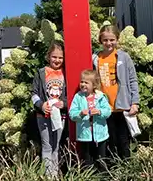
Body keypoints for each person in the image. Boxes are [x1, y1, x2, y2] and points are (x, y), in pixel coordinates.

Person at [93, 24, 140, 159]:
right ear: (100, 41)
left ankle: (126, 170)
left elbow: (133, 80)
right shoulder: (96, 58)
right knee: (108, 142)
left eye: (112, 40)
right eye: (105, 40)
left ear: (117, 39)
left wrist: (135, 102)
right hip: (104, 107)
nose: (109, 43)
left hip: (121, 106)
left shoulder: (124, 57)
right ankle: (111, 170)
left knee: (123, 141)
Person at [31, 40, 67, 177]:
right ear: (48, 56)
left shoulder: (66, 73)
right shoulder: (41, 73)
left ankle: (55, 174)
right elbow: (34, 94)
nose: (57, 60)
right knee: (47, 146)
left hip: (60, 117)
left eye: (60, 57)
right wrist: (41, 105)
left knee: (56, 147)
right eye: (54, 57)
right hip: (43, 116)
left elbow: (70, 96)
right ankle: (48, 176)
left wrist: (64, 104)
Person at [69, 69, 111, 169]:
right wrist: (80, 114)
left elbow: (108, 111)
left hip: (100, 135)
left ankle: (102, 176)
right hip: (85, 135)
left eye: (86, 82)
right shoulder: (78, 97)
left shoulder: (100, 97)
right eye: (81, 81)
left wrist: (100, 112)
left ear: (94, 85)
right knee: (87, 160)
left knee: (101, 159)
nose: (83, 84)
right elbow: (72, 114)